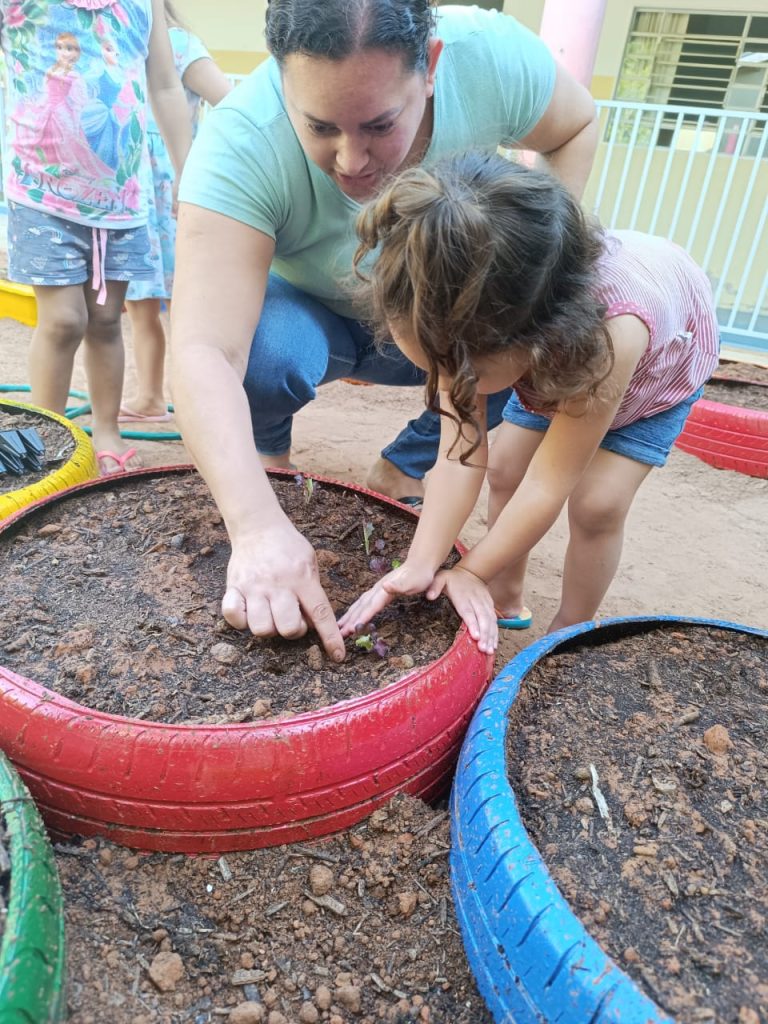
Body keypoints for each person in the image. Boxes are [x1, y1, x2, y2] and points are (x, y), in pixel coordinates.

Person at [171, 0, 598, 660]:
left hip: (439, 323)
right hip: (312, 316)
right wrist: (253, 524)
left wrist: (531, 277)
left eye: (378, 125)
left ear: (430, 69)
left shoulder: (489, 56)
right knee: (265, 355)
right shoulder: (241, 140)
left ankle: (404, 465)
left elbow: (576, 124)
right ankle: (269, 471)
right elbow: (203, 349)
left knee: (504, 356)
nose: (350, 161)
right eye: (320, 127)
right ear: (281, 76)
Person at [338, 151, 720, 655]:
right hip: (553, 365)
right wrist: (421, 563)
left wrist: (469, 569)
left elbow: (549, 481)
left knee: (598, 503)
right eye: (435, 368)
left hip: (652, 375)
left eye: (462, 373)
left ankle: (572, 630)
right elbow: (457, 454)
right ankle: (505, 595)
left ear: (535, 339)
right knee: (505, 470)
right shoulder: (458, 317)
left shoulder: (614, 333)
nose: (449, 384)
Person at [0, 0, 192, 475]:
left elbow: (165, 85)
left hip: (120, 200)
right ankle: (43, 440)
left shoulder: (142, 4)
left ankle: (106, 429)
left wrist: (187, 169)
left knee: (106, 320)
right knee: (64, 321)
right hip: (42, 193)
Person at [121, 2, 232, 423]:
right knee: (141, 302)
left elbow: (231, 102)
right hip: (136, 198)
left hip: (175, 196)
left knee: (188, 305)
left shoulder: (181, 45)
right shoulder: (122, 44)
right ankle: (149, 396)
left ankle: (197, 405)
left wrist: (206, 163)